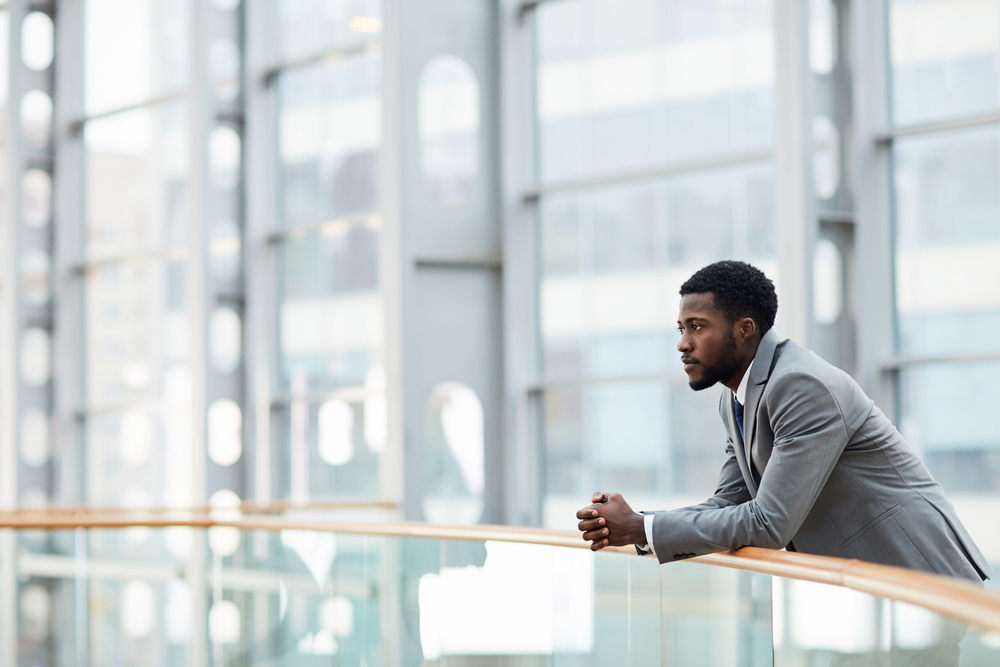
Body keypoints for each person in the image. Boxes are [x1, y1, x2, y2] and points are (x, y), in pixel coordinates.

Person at [576, 260, 991, 586]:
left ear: (744, 330)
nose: (683, 343)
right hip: (867, 590)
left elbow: (768, 522)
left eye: (697, 327)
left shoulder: (799, 385)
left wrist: (642, 527)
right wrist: (638, 526)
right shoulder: (736, 397)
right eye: (682, 328)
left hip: (919, 578)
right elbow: (730, 502)